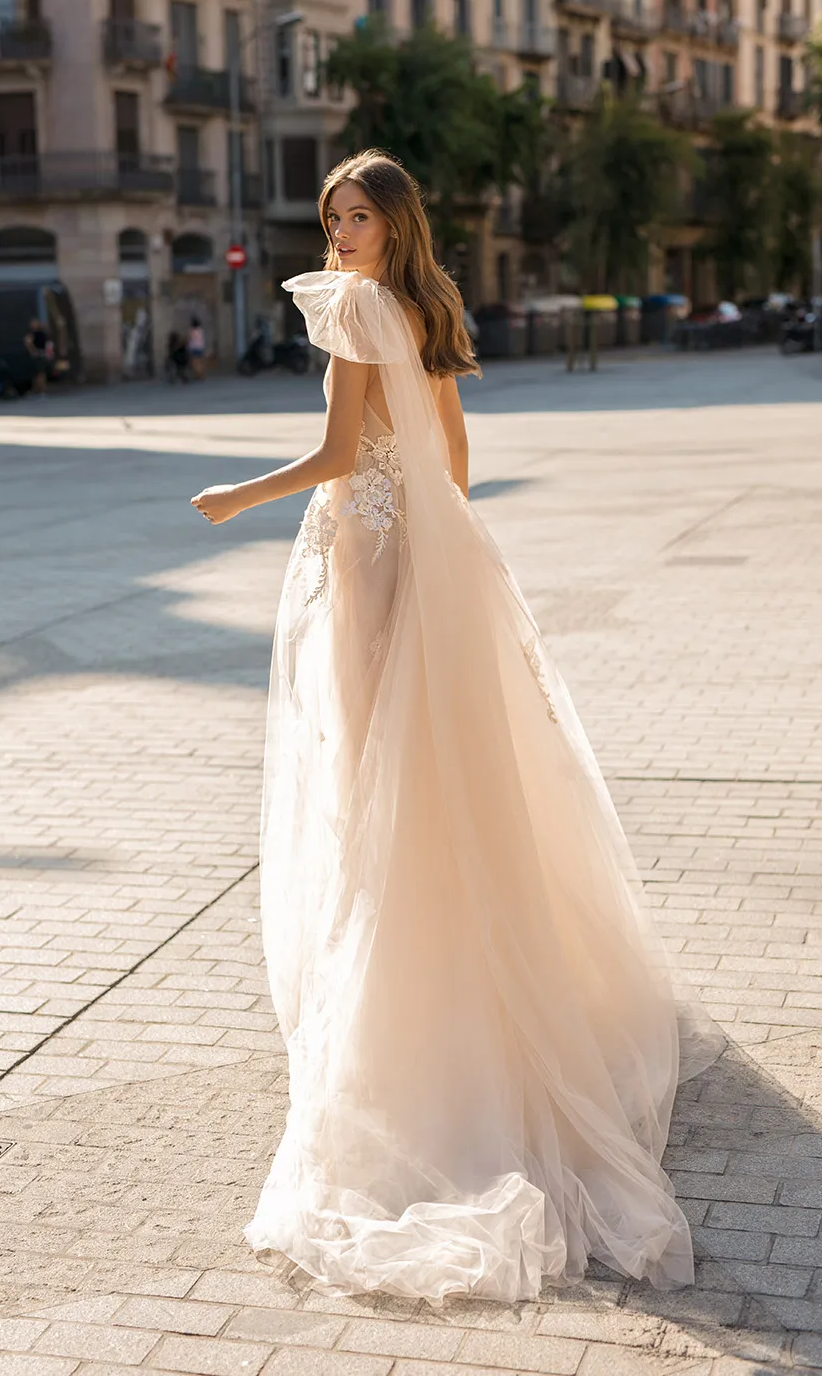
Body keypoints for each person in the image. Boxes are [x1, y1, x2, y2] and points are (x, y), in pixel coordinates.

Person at [191, 149, 723, 1305]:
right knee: (429, 774)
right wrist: (425, 531)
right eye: (332, 214)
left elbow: (339, 453)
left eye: (357, 215)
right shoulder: (426, 307)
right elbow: (460, 462)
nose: (339, 232)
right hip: (427, 561)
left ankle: (408, 1024)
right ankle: (468, 980)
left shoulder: (348, 310)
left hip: (369, 562)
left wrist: (240, 496)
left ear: (392, 222)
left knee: (372, 781)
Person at [24, 317, 52, 395]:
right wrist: (33, 351)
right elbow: (28, 343)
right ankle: (38, 389)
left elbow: (47, 343)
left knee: (41, 372)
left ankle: (41, 388)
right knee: (38, 373)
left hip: (42, 354)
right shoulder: (31, 334)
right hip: (37, 355)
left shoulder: (42, 333)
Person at [186, 314, 206, 379]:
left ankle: (197, 375)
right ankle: (201, 374)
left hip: (193, 347)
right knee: (200, 362)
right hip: (200, 347)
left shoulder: (191, 330)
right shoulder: (200, 330)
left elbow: (189, 338)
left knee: (195, 363)